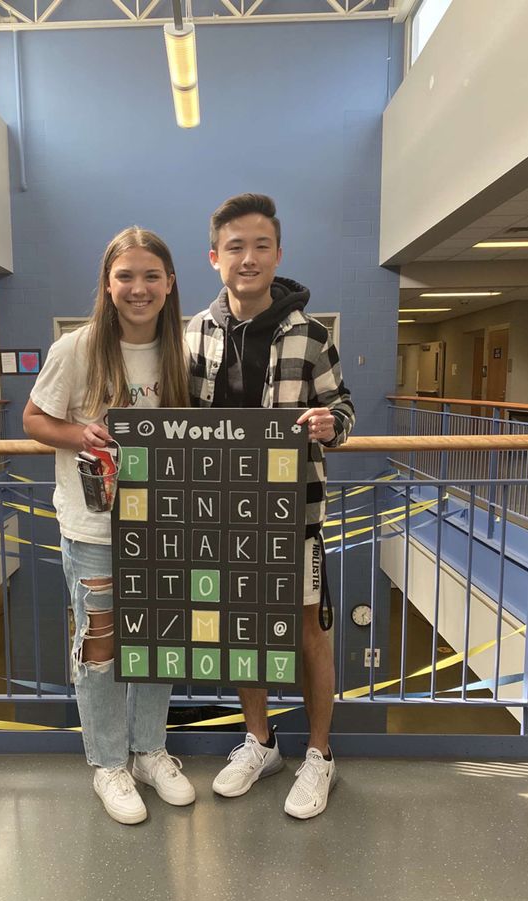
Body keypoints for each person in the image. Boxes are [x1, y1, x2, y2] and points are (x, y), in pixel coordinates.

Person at [186, 193, 355, 819]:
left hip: (296, 512)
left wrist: (325, 425)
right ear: (214, 258)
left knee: (309, 630)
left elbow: (345, 410)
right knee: (243, 629)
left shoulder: (310, 333)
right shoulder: (197, 332)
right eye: (235, 247)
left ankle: (319, 756)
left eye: (261, 246)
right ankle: (260, 742)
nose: (248, 258)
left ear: (278, 254)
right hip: (221, 512)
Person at [23, 227, 195, 825]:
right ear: (107, 283)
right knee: (102, 646)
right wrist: (78, 434)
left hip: (165, 527)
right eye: (126, 276)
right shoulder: (76, 348)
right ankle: (108, 762)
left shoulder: (184, 351)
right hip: (94, 529)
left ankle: (149, 750)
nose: (138, 288)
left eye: (151, 276)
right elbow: (35, 419)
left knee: (160, 642)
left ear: (170, 284)